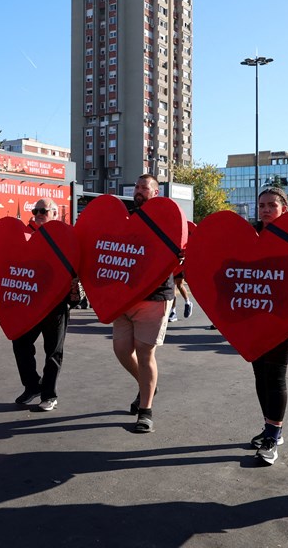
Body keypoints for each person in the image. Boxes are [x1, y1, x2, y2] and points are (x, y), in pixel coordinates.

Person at [113, 175, 174, 433]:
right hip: (124, 296)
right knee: (121, 349)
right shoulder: (126, 217)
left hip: (154, 296)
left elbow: (179, 248)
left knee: (145, 352)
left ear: (156, 192)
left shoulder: (167, 219)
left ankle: (145, 412)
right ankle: (148, 384)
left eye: (144, 188)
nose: (139, 191)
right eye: (137, 187)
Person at [248, 187, 288, 465]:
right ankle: (271, 427)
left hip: (285, 315)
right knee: (260, 374)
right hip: (253, 314)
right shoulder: (250, 235)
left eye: (272, 205)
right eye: (262, 205)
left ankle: (272, 437)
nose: (266, 210)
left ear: (284, 209)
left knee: (276, 375)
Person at [11, 199, 70, 412]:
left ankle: (49, 395)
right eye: (35, 210)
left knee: (53, 350)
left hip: (56, 302)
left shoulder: (65, 235)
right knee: (20, 342)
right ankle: (32, 386)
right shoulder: (26, 234)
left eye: (43, 210)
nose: (38, 213)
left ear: (54, 213)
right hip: (30, 302)